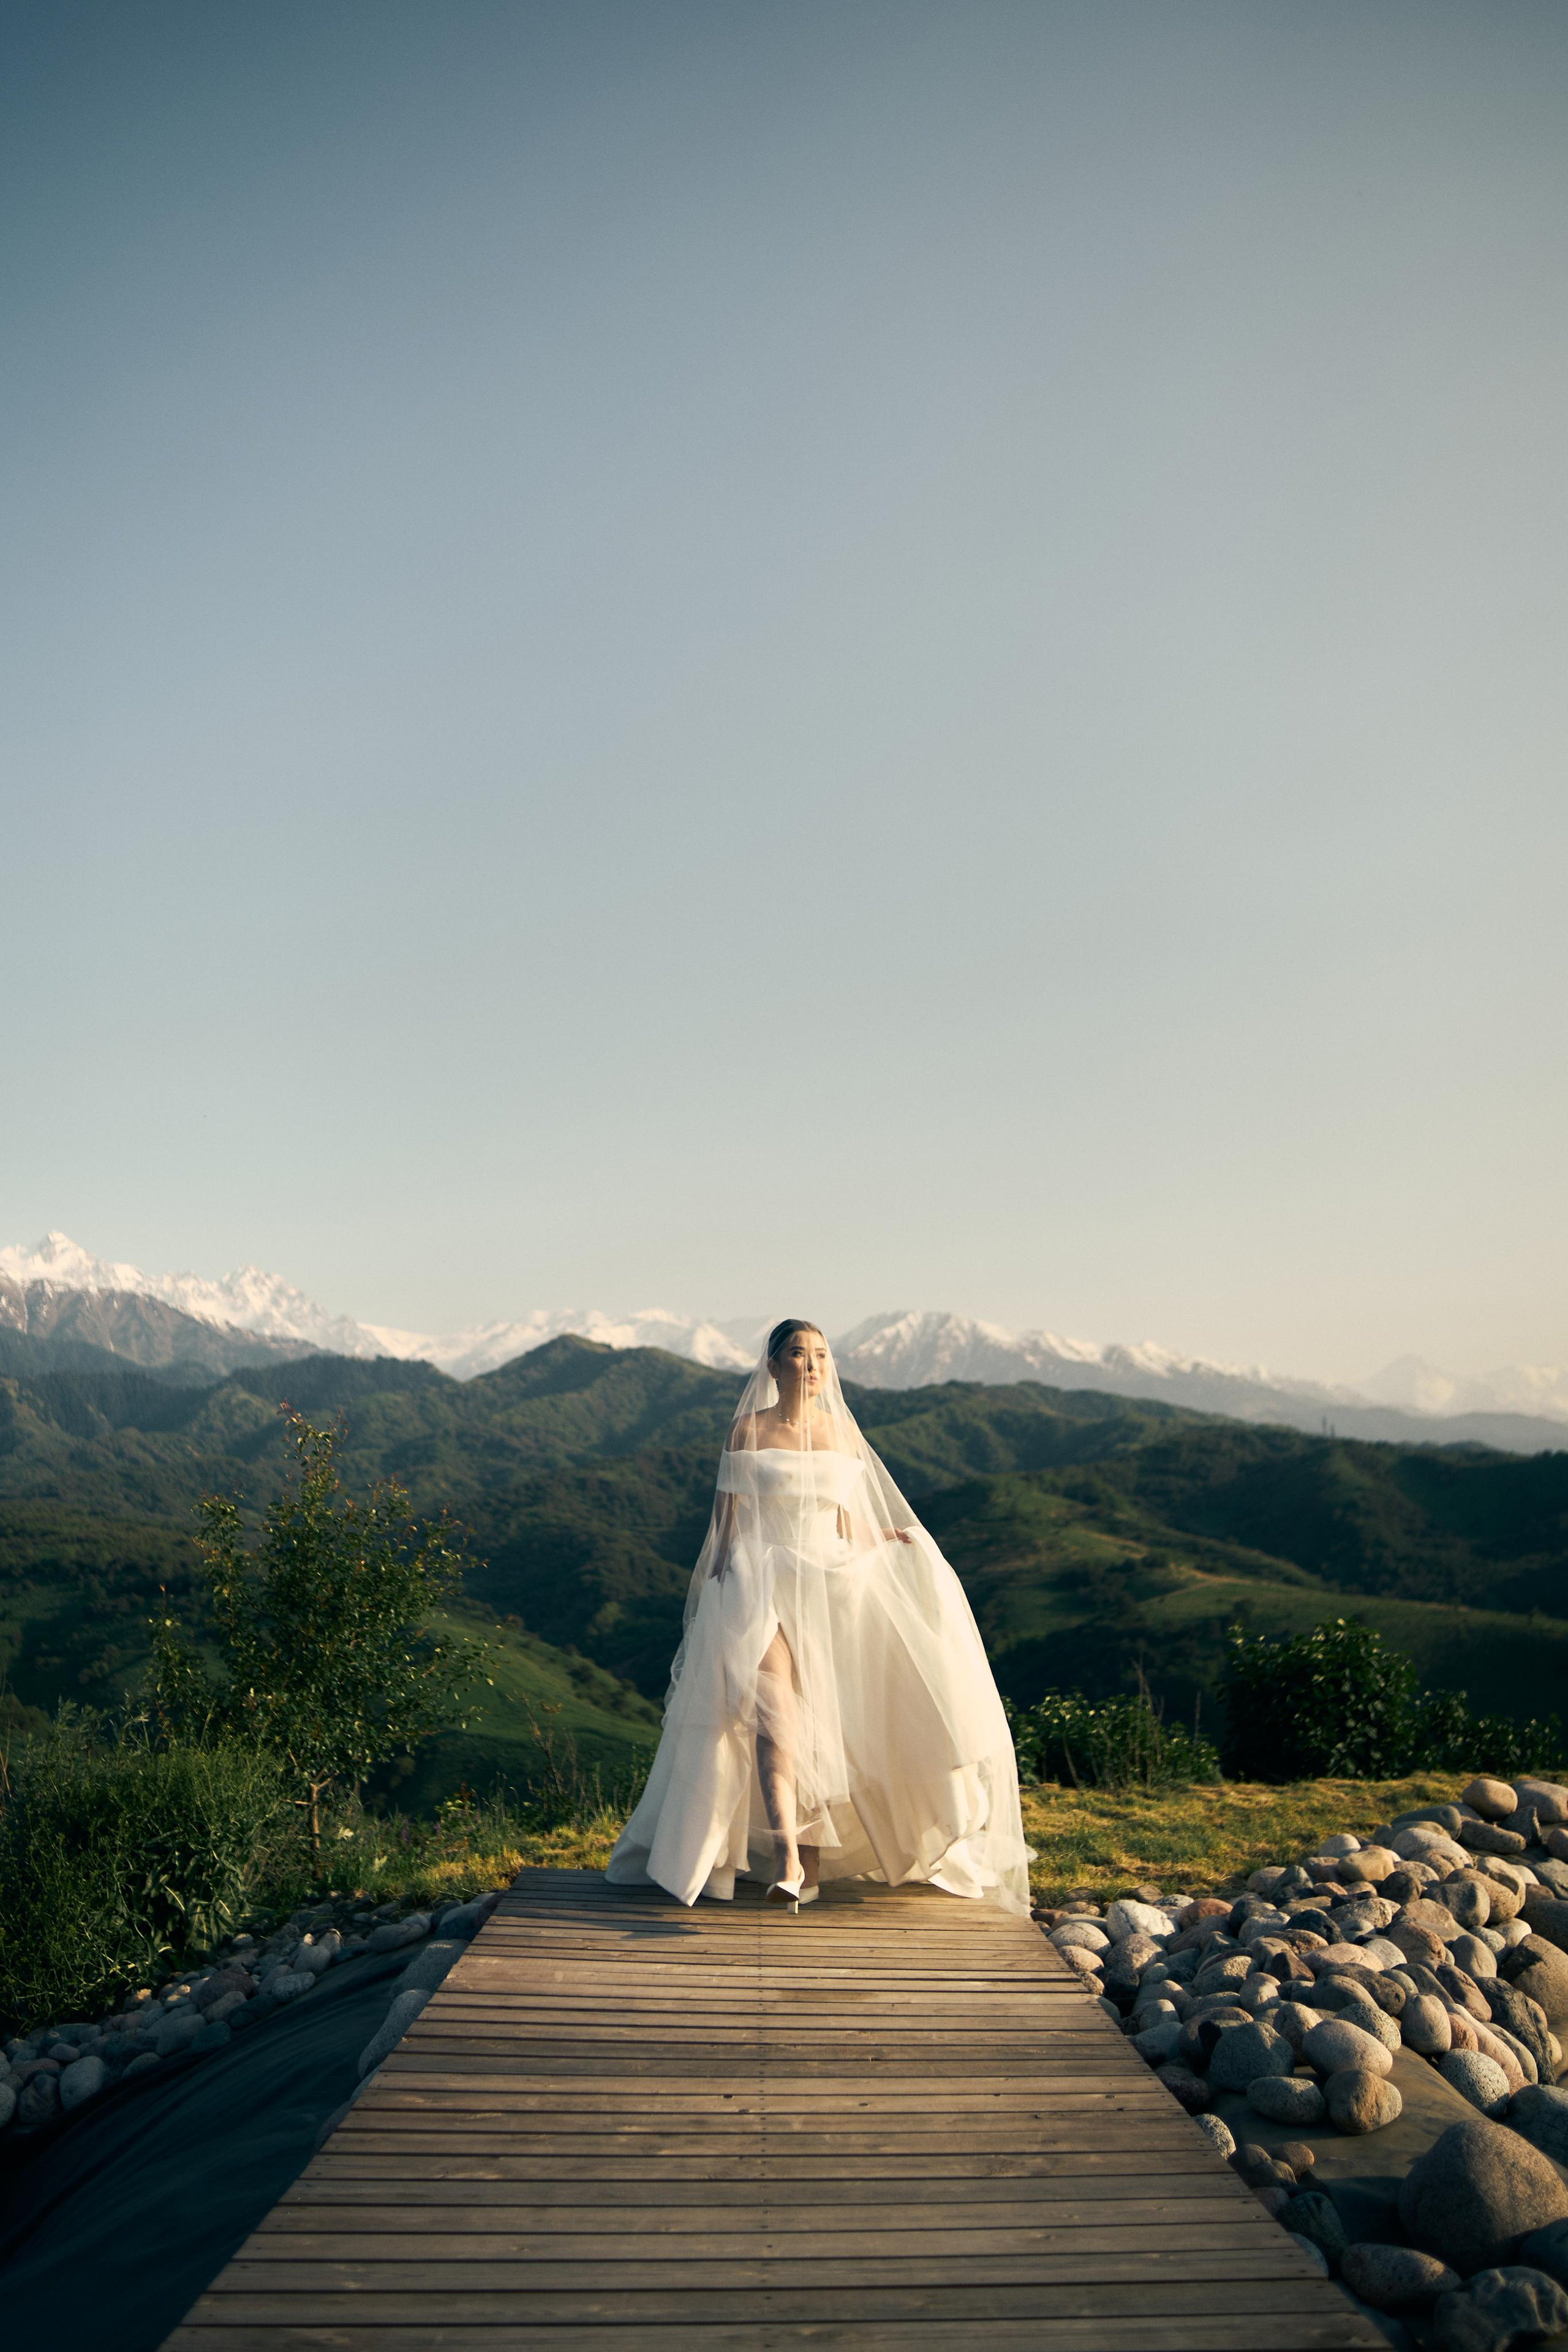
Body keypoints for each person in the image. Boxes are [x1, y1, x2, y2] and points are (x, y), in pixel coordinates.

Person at [606, 1318, 1031, 1913]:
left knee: (831, 1728)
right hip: (762, 1583)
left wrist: (884, 1537)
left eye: (821, 1356)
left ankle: (811, 1859)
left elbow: (843, 1519)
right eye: (798, 1354)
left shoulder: (841, 1434)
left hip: (831, 1584)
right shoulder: (747, 1429)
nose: (810, 1365)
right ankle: (785, 1858)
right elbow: (725, 1526)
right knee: (774, 1718)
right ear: (773, 1365)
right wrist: (715, 1602)